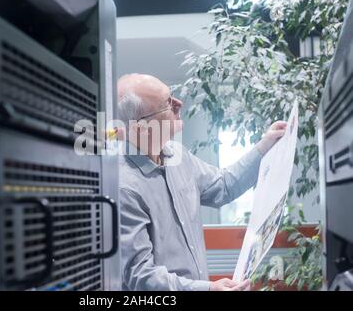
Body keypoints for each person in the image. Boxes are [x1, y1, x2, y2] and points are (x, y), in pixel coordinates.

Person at [117, 73, 287, 291]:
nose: (179, 104)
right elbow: (140, 274)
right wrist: (207, 289)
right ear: (142, 127)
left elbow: (224, 186)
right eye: (167, 103)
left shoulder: (179, 156)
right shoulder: (124, 187)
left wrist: (265, 145)